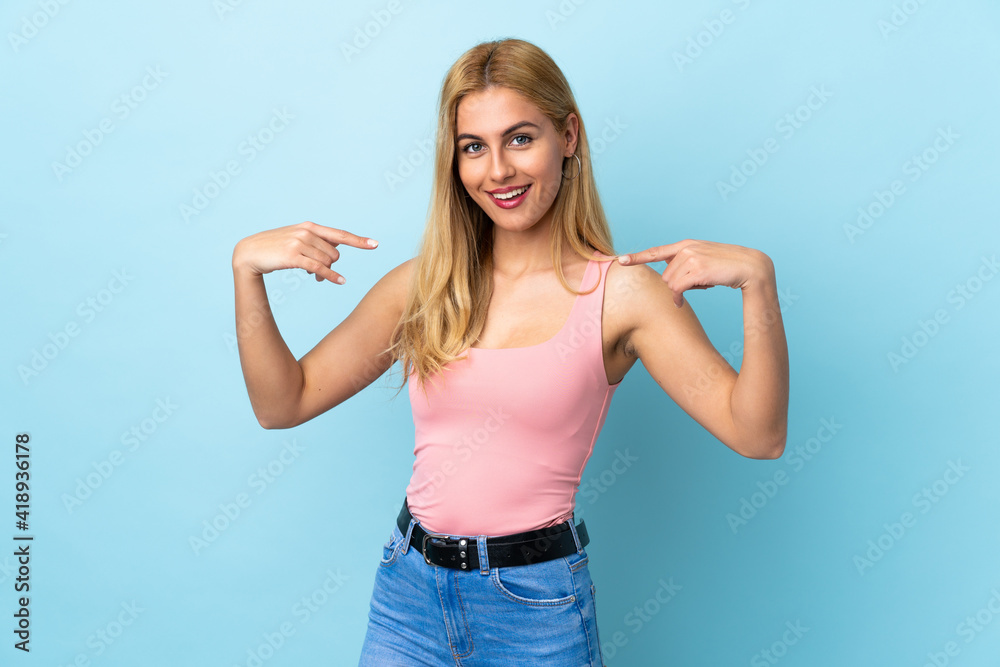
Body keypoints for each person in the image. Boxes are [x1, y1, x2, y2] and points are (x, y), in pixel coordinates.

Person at [231, 37, 788, 666]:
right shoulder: (425, 287)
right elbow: (284, 402)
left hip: (534, 608)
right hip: (408, 597)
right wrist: (246, 274)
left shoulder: (622, 296)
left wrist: (758, 286)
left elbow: (758, 434)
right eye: (475, 147)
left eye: (521, 138)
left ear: (568, 136)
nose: (497, 170)